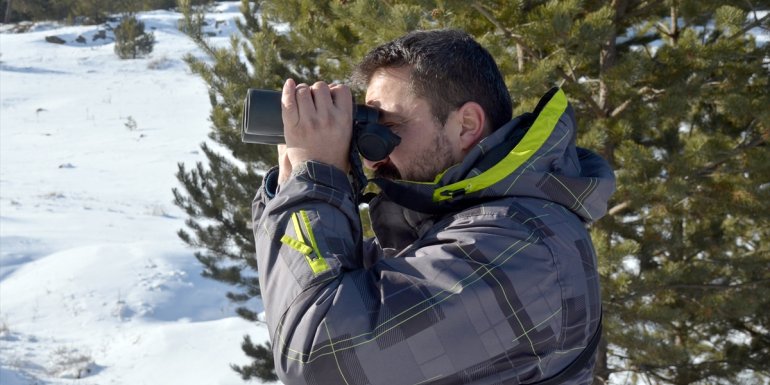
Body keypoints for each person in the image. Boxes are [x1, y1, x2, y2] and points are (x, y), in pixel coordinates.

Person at [252, 29, 615, 385]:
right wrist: (293, 183)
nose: (372, 156)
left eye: (389, 125)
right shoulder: (457, 227)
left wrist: (314, 180)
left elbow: (317, 357)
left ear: (466, 125)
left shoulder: (524, 246)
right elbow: (329, 290)